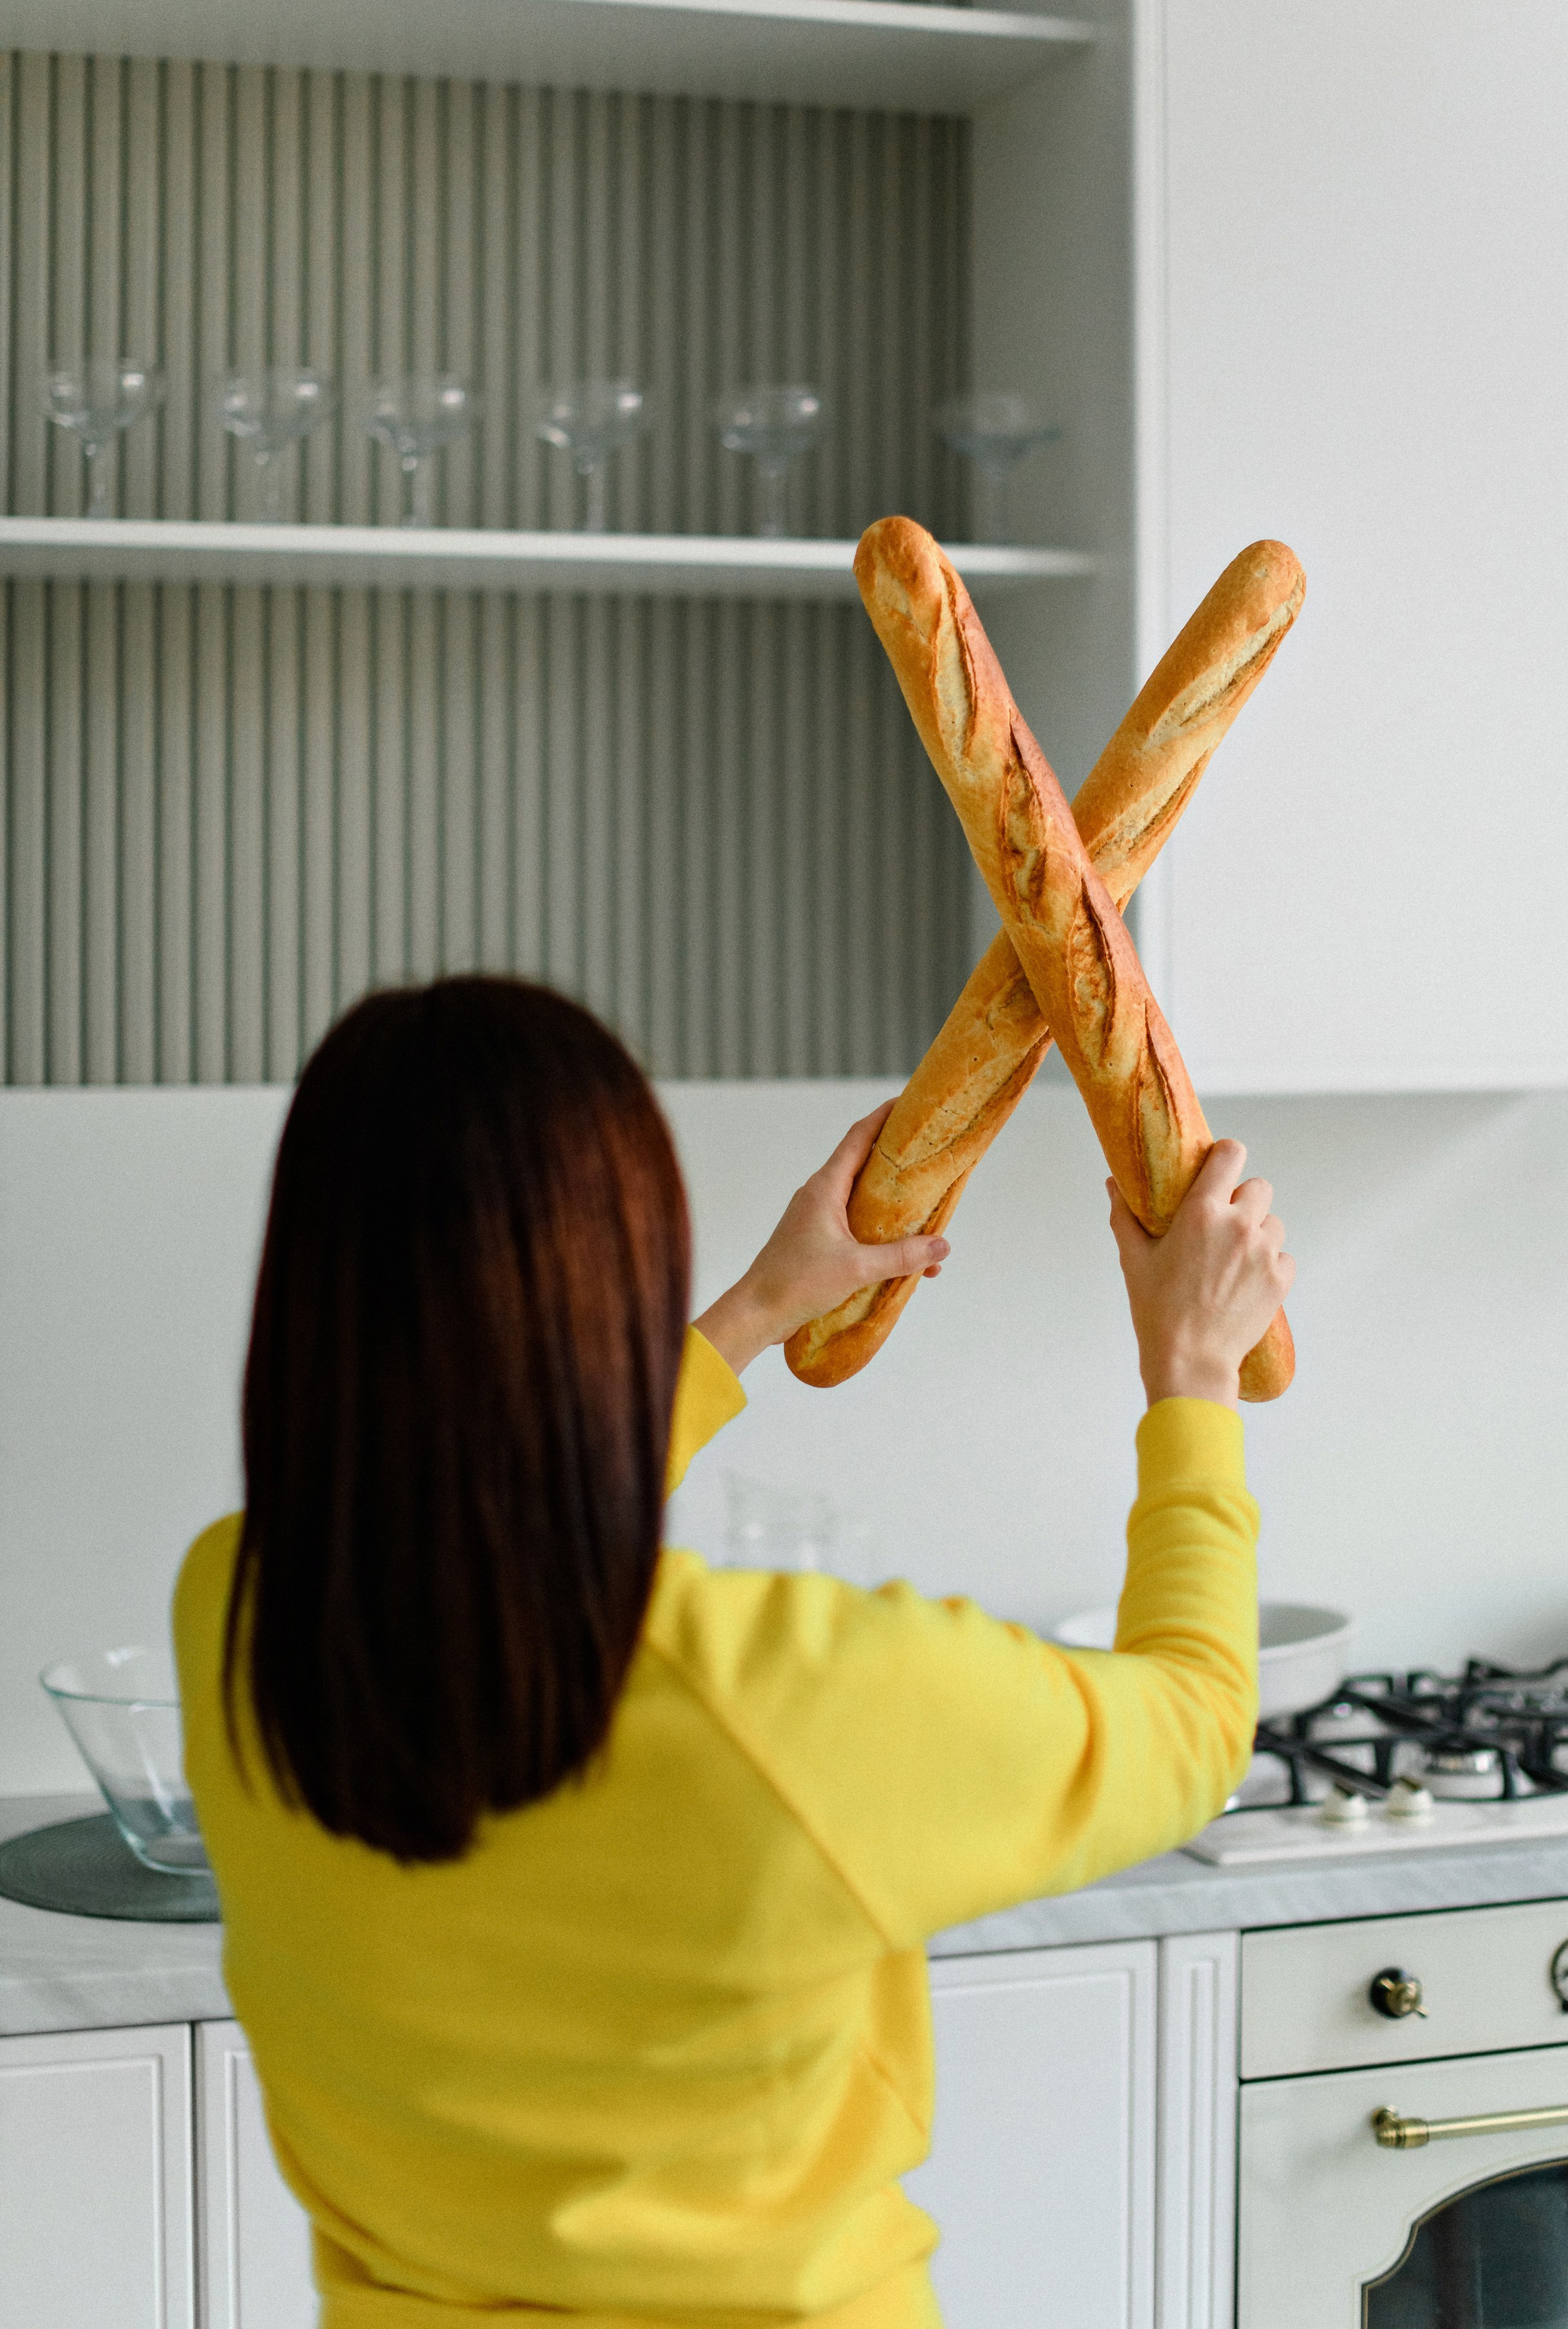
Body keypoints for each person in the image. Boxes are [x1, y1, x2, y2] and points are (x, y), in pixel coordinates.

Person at [174, 974, 1294, 2329]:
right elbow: (1192, 1723)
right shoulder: (779, 1697)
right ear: (618, 1268)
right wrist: (1191, 1375)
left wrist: (762, 1310)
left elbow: (499, 1538)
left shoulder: (242, 1609)